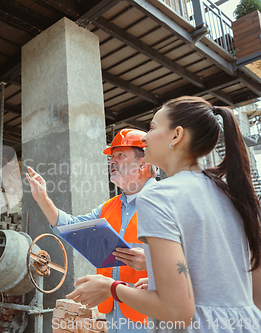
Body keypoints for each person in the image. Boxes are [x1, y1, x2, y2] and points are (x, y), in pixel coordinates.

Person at [66, 96, 261, 332]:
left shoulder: (157, 197)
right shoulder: (233, 192)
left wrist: (110, 288)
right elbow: (251, 287)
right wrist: (164, 281)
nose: (145, 137)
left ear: (176, 136)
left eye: (152, 127)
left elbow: (178, 312)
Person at [26, 128, 156, 333]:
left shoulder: (166, 200)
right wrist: (42, 198)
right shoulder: (108, 208)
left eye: (120, 155)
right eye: (111, 157)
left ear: (144, 163)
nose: (112, 161)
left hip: (153, 316)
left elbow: (195, 259)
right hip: (115, 313)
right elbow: (71, 229)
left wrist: (151, 261)